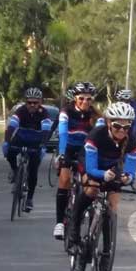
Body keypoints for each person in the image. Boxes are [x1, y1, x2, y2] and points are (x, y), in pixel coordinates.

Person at [68, 102, 136, 271]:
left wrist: (127, 177)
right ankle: (73, 232)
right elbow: (92, 169)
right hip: (90, 164)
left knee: (112, 208)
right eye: (117, 126)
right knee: (91, 190)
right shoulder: (96, 135)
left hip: (112, 168)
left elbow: (131, 171)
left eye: (126, 126)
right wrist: (102, 175)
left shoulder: (132, 141)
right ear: (108, 123)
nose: (122, 130)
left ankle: (106, 256)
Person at [53, 81, 103, 240]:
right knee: (65, 179)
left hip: (84, 150)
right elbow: (62, 133)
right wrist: (61, 154)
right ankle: (59, 223)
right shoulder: (66, 112)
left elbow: (99, 136)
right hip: (67, 147)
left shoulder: (96, 116)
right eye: (81, 98)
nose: (85, 102)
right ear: (75, 98)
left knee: (89, 181)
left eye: (89, 99)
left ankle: (82, 210)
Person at [2, 87, 52, 212]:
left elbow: (46, 130)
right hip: (21, 138)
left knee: (33, 170)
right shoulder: (21, 111)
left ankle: (29, 199)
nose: (32, 105)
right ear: (26, 102)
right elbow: (12, 127)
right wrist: (6, 142)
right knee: (10, 153)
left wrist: (44, 145)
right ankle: (15, 170)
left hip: (35, 141)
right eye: (29, 102)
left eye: (35, 102)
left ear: (40, 102)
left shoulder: (44, 113)